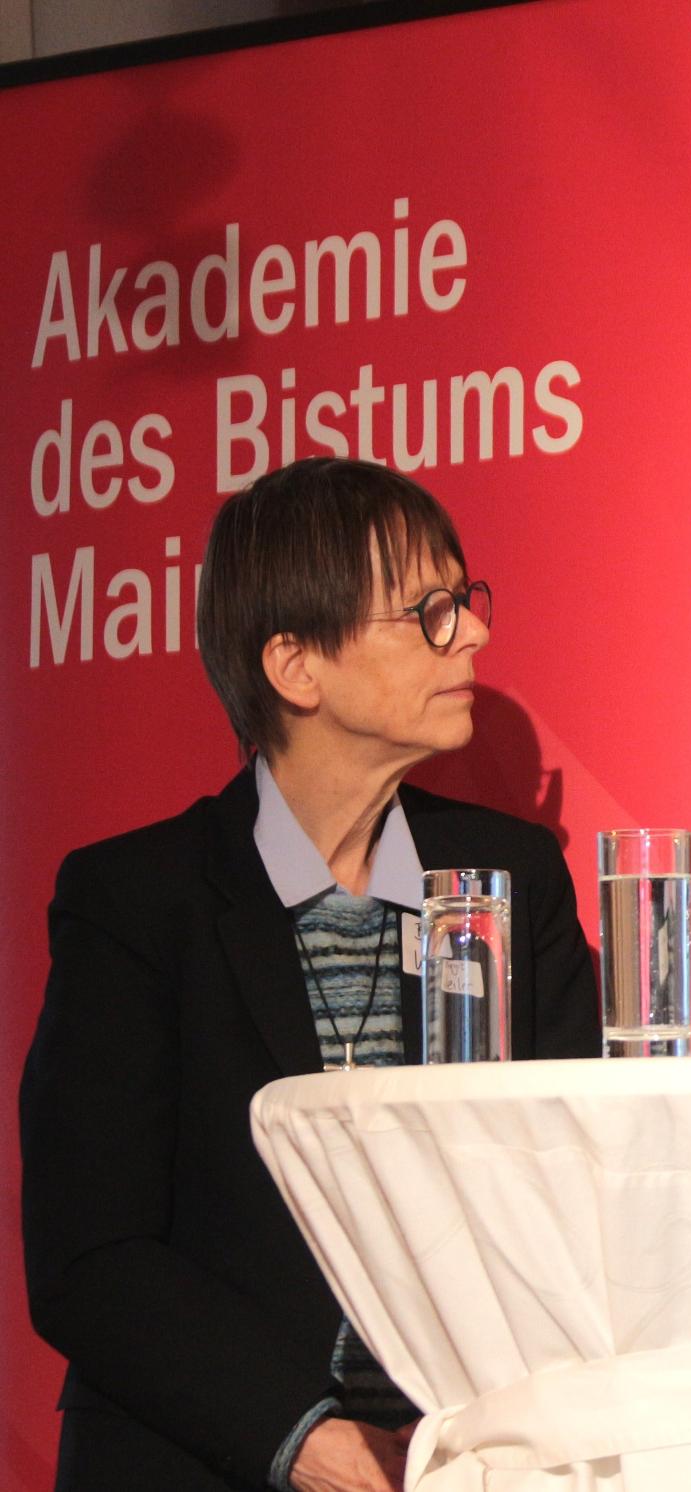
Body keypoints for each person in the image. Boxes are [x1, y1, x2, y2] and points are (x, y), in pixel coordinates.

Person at [20, 458, 601, 1492]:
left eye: (465, 602)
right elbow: (90, 1259)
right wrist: (306, 1441)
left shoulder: (510, 878)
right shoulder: (138, 900)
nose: (470, 634)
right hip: (210, 1453)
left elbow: (583, 1172)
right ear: (296, 666)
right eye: (427, 612)